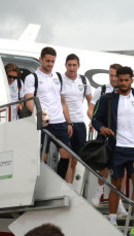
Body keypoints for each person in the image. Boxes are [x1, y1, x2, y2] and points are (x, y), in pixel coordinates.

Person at [92, 66, 134, 228]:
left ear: (131, 80)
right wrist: (101, 128)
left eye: (126, 80)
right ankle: (113, 220)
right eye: (120, 80)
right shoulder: (107, 99)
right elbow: (96, 119)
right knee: (116, 184)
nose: (123, 83)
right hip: (117, 148)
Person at [24, 46, 73, 179]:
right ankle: (39, 183)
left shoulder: (58, 76)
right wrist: (39, 114)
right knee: (43, 156)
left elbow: (63, 101)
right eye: (47, 61)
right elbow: (29, 101)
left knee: (66, 154)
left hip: (60, 122)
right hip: (44, 121)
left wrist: (69, 122)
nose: (50, 64)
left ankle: (59, 182)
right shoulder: (32, 77)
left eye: (52, 61)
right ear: (41, 59)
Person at [88, 63, 121, 210]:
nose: (113, 78)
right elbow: (91, 110)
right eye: (111, 75)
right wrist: (98, 124)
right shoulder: (101, 90)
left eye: (116, 75)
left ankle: (118, 200)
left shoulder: (126, 92)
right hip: (104, 132)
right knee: (104, 164)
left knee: (121, 169)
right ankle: (98, 192)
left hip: (121, 135)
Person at [63, 53, 93, 183]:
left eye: (74, 65)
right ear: (65, 65)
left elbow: (90, 100)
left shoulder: (84, 81)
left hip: (79, 123)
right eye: (69, 65)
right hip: (64, 122)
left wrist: (93, 119)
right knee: (65, 156)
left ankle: (69, 186)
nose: (71, 68)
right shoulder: (60, 79)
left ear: (78, 66)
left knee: (75, 158)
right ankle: (63, 185)